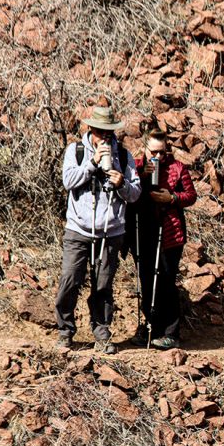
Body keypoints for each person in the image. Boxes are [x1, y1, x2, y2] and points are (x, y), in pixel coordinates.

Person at [54, 104, 141, 355]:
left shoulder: (124, 156)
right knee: (70, 279)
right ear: (90, 128)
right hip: (79, 229)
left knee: (103, 284)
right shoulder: (76, 151)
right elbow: (68, 181)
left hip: (111, 231)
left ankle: (101, 332)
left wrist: (122, 183)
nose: (105, 136)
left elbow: (135, 194)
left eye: (109, 131)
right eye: (101, 131)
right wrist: (92, 163)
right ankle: (65, 330)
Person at [127, 128, 196, 350]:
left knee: (166, 281)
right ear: (144, 149)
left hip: (169, 233)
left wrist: (172, 197)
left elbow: (191, 195)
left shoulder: (177, 168)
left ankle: (171, 333)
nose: (158, 157)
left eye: (162, 152)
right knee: (147, 280)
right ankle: (151, 327)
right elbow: (129, 194)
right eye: (153, 152)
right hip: (142, 232)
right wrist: (143, 175)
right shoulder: (136, 166)